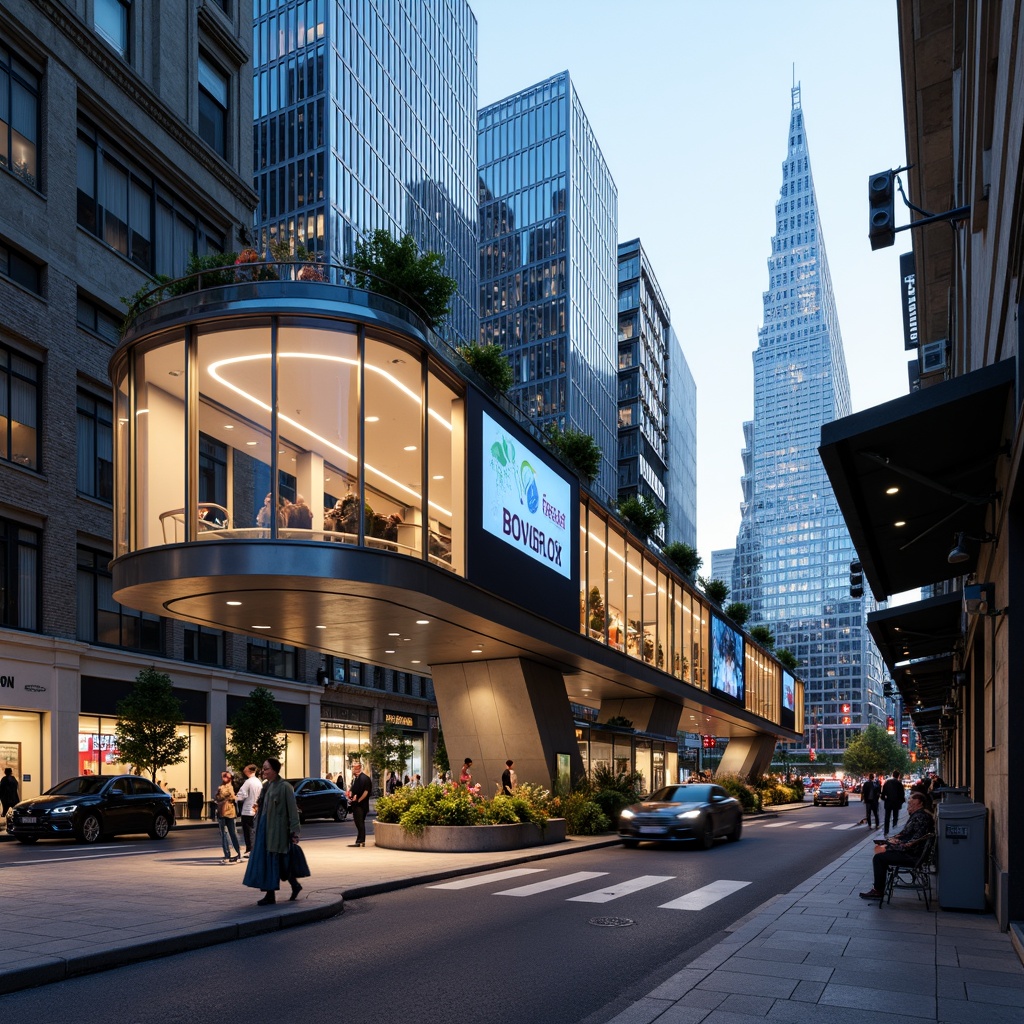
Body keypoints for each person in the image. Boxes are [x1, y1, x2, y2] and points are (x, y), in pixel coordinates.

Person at [242, 758, 302, 905]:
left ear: (275, 770)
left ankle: (272, 894)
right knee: (272, 861)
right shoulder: (266, 786)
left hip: (278, 831)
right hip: (264, 828)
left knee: (275, 861)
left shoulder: (285, 787)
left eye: (267, 768)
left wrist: (294, 831)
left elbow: (293, 811)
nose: (264, 771)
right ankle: (289, 887)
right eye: (263, 768)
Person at [859, 792, 934, 900]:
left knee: (879, 858)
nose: (909, 807)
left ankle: (878, 890)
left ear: (920, 804)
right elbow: (906, 835)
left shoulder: (920, 818)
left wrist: (894, 844)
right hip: (913, 853)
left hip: (913, 855)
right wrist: (892, 841)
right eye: (909, 804)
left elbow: (912, 842)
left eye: (912, 805)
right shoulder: (919, 816)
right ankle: (879, 887)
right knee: (881, 852)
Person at [234, 764, 262, 857]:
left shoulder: (248, 782)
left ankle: (250, 849)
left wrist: (235, 798)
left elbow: (242, 795)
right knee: (254, 830)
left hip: (247, 810)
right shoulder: (258, 782)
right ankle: (254, 849)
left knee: (247, 831)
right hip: (256, 809)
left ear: (249, 771)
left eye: (245, 770)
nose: (244, 771)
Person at [214, 771, 241, 864]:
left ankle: (230, 854)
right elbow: (218, 798)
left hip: (227, 812)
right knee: (227, 833)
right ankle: (233, 853)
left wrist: (219, 794)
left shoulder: (229, 786)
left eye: (225, 776)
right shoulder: (223, 786)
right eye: (223, 776)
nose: (223, 778)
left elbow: (229, 797)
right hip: (225, 812)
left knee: (227, 834)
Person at [347, 761, 372, 847]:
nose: (352, 770)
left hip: (361, 806)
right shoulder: (356, 779)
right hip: (357, 805)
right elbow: (354, 790)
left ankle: (361, 840)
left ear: (357, 768)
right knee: (358, 822)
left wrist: (359, 800)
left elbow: (366, 791)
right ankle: (359, 840)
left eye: (353, 768)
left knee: (360, 822)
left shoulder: (364, 778)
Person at [881, 770, 906, 836]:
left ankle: (886, 831)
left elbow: (883, 793)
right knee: (895, 816)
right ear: (898, 776)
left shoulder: (887, 782)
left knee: (887, 817)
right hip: (896, 802)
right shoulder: (899, 783)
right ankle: (894, 828)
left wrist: (884, 798)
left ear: (892, 775)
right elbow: (902, 794)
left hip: (888, 802)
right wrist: (901, 801)